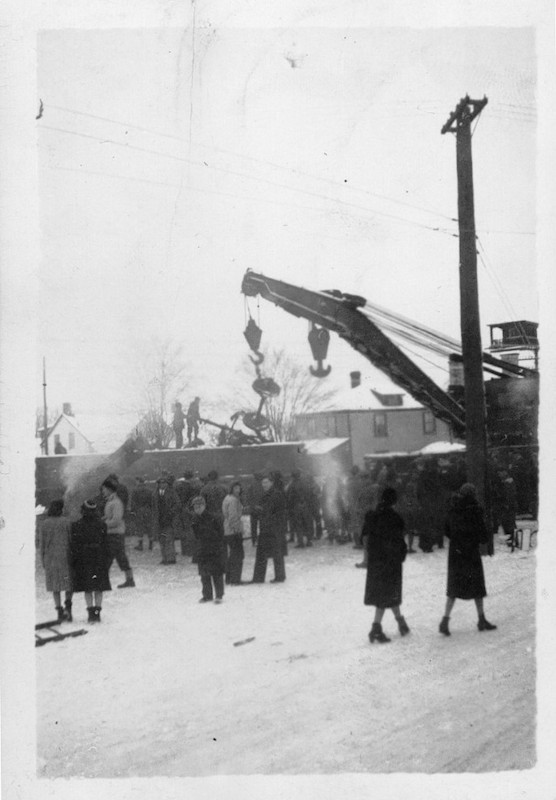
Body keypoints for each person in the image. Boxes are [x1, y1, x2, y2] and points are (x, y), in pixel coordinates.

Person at [439, 483, 496, 636]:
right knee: (477, 586)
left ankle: (445, 620)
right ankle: (481, 618)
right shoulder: (475, 510)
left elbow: (447, 530)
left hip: (456, 553)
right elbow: (483, 536)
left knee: (454, 587)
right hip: (471, 553)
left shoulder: (453, 509)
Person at [362, 487, 409, 644]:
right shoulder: (395, 518)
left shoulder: (372, 515)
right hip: (391, 561)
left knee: (385, 595)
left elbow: (365, 536)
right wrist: (402, 554)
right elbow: (399, 539)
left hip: (375, 561)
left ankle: (400, 622)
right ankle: (376, 628)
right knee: (388, 594)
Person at [70, 500, 111, 623]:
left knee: (87, 587)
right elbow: (106, 544)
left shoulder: (77, 525)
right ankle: (97, 613)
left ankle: (90, 613)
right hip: (99, 557)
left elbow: (74, 545)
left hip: (84, 558)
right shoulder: (102, 524)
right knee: (99, 587)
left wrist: (74, 561)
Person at [39, 499, 73, 622]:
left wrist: (43, 559)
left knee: (55, 586)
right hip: (65, 557)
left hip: (50, 558)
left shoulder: (44, 524)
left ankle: (59, 610)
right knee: (69, 584)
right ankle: (68, 607)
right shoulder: (66, 522)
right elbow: (71, 540)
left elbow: (42, 544)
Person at [252, 475, 287, 583]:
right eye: (263, 483)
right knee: (263, 553)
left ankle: (279, 576)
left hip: (273, 528)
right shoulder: (266, 495)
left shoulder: (276, 495)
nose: (264, 485)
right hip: (267, 527)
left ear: (271, 483)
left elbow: (274, 511)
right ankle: (259, 577)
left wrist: (260, 510)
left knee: (276, 553)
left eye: (266, 482)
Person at [101, 478, 136, 588]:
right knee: (119, 557)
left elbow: (116, 520)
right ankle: (129, 579)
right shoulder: (111, 501)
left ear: (109, 489)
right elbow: (110, 516)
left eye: (104, 489)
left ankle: (103, 582)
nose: (103, 491)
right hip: (113, 533)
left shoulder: (116, 502)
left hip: (115, 533)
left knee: (109, 558)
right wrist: (103, 519)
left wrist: (103, 524)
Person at [191, 495, 226, 603]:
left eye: (199, 506)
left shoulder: (213, 518)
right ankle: (207, 595)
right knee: (204, 574)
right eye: (195, 507)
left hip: (214, 549)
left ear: (204, 506)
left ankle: (219, 595)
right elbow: (195, 536)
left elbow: (220, 533)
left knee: (216, 574)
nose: (197, 509)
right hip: (202, 550)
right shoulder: (194, 519)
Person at [152, 476, 180, 564]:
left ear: (167, 484)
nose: (162, 484)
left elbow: (177, 504)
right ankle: (164, 558)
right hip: (159, 519)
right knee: (162, 539)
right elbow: (153, 506)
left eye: (164, 483)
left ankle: (171, 558)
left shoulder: (172, 493)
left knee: (169, 539)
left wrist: (171, 513)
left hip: (169, 519)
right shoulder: (155, 494)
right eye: (160, 483)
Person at [222, 481, 245, 585]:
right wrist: (237, 529)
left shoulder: (228, 498)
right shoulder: (233, 500)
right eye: (236, 488)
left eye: (239, 488)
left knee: (233, 555)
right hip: (233, 531)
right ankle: (235, 579)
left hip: (228, 530)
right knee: (238, 555)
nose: (238, 490)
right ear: (231, 489)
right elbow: (233, 516)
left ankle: (229, 578)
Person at [130, 476, 153, 551]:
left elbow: (133, 502)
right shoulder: (150, 490)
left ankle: (140, 545)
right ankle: (150, 545)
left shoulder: (135, 490)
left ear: (138, 481)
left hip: (139, 510)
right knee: (149, 527)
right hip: (148, 510)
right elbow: (152, 502)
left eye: (136, 481)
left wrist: (133, 511)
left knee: (140, 527)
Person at [244, 472, 264, 546]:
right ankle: (262, 540)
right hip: (261, 509)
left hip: (254, 509)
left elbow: (248, 498)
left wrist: (253, 505)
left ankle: (254, 541)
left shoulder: (251, 486)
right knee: (262, 525)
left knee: (254, 526)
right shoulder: (263, 485)